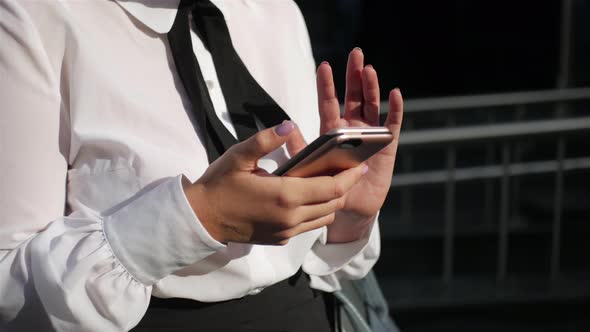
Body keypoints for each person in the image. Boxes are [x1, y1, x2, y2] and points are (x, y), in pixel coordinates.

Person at [0, 0, 403, 331]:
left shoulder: (276, 11)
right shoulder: (32, 16)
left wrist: (345, 213)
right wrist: (198, 218)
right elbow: (7, 290)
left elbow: (315, 259)